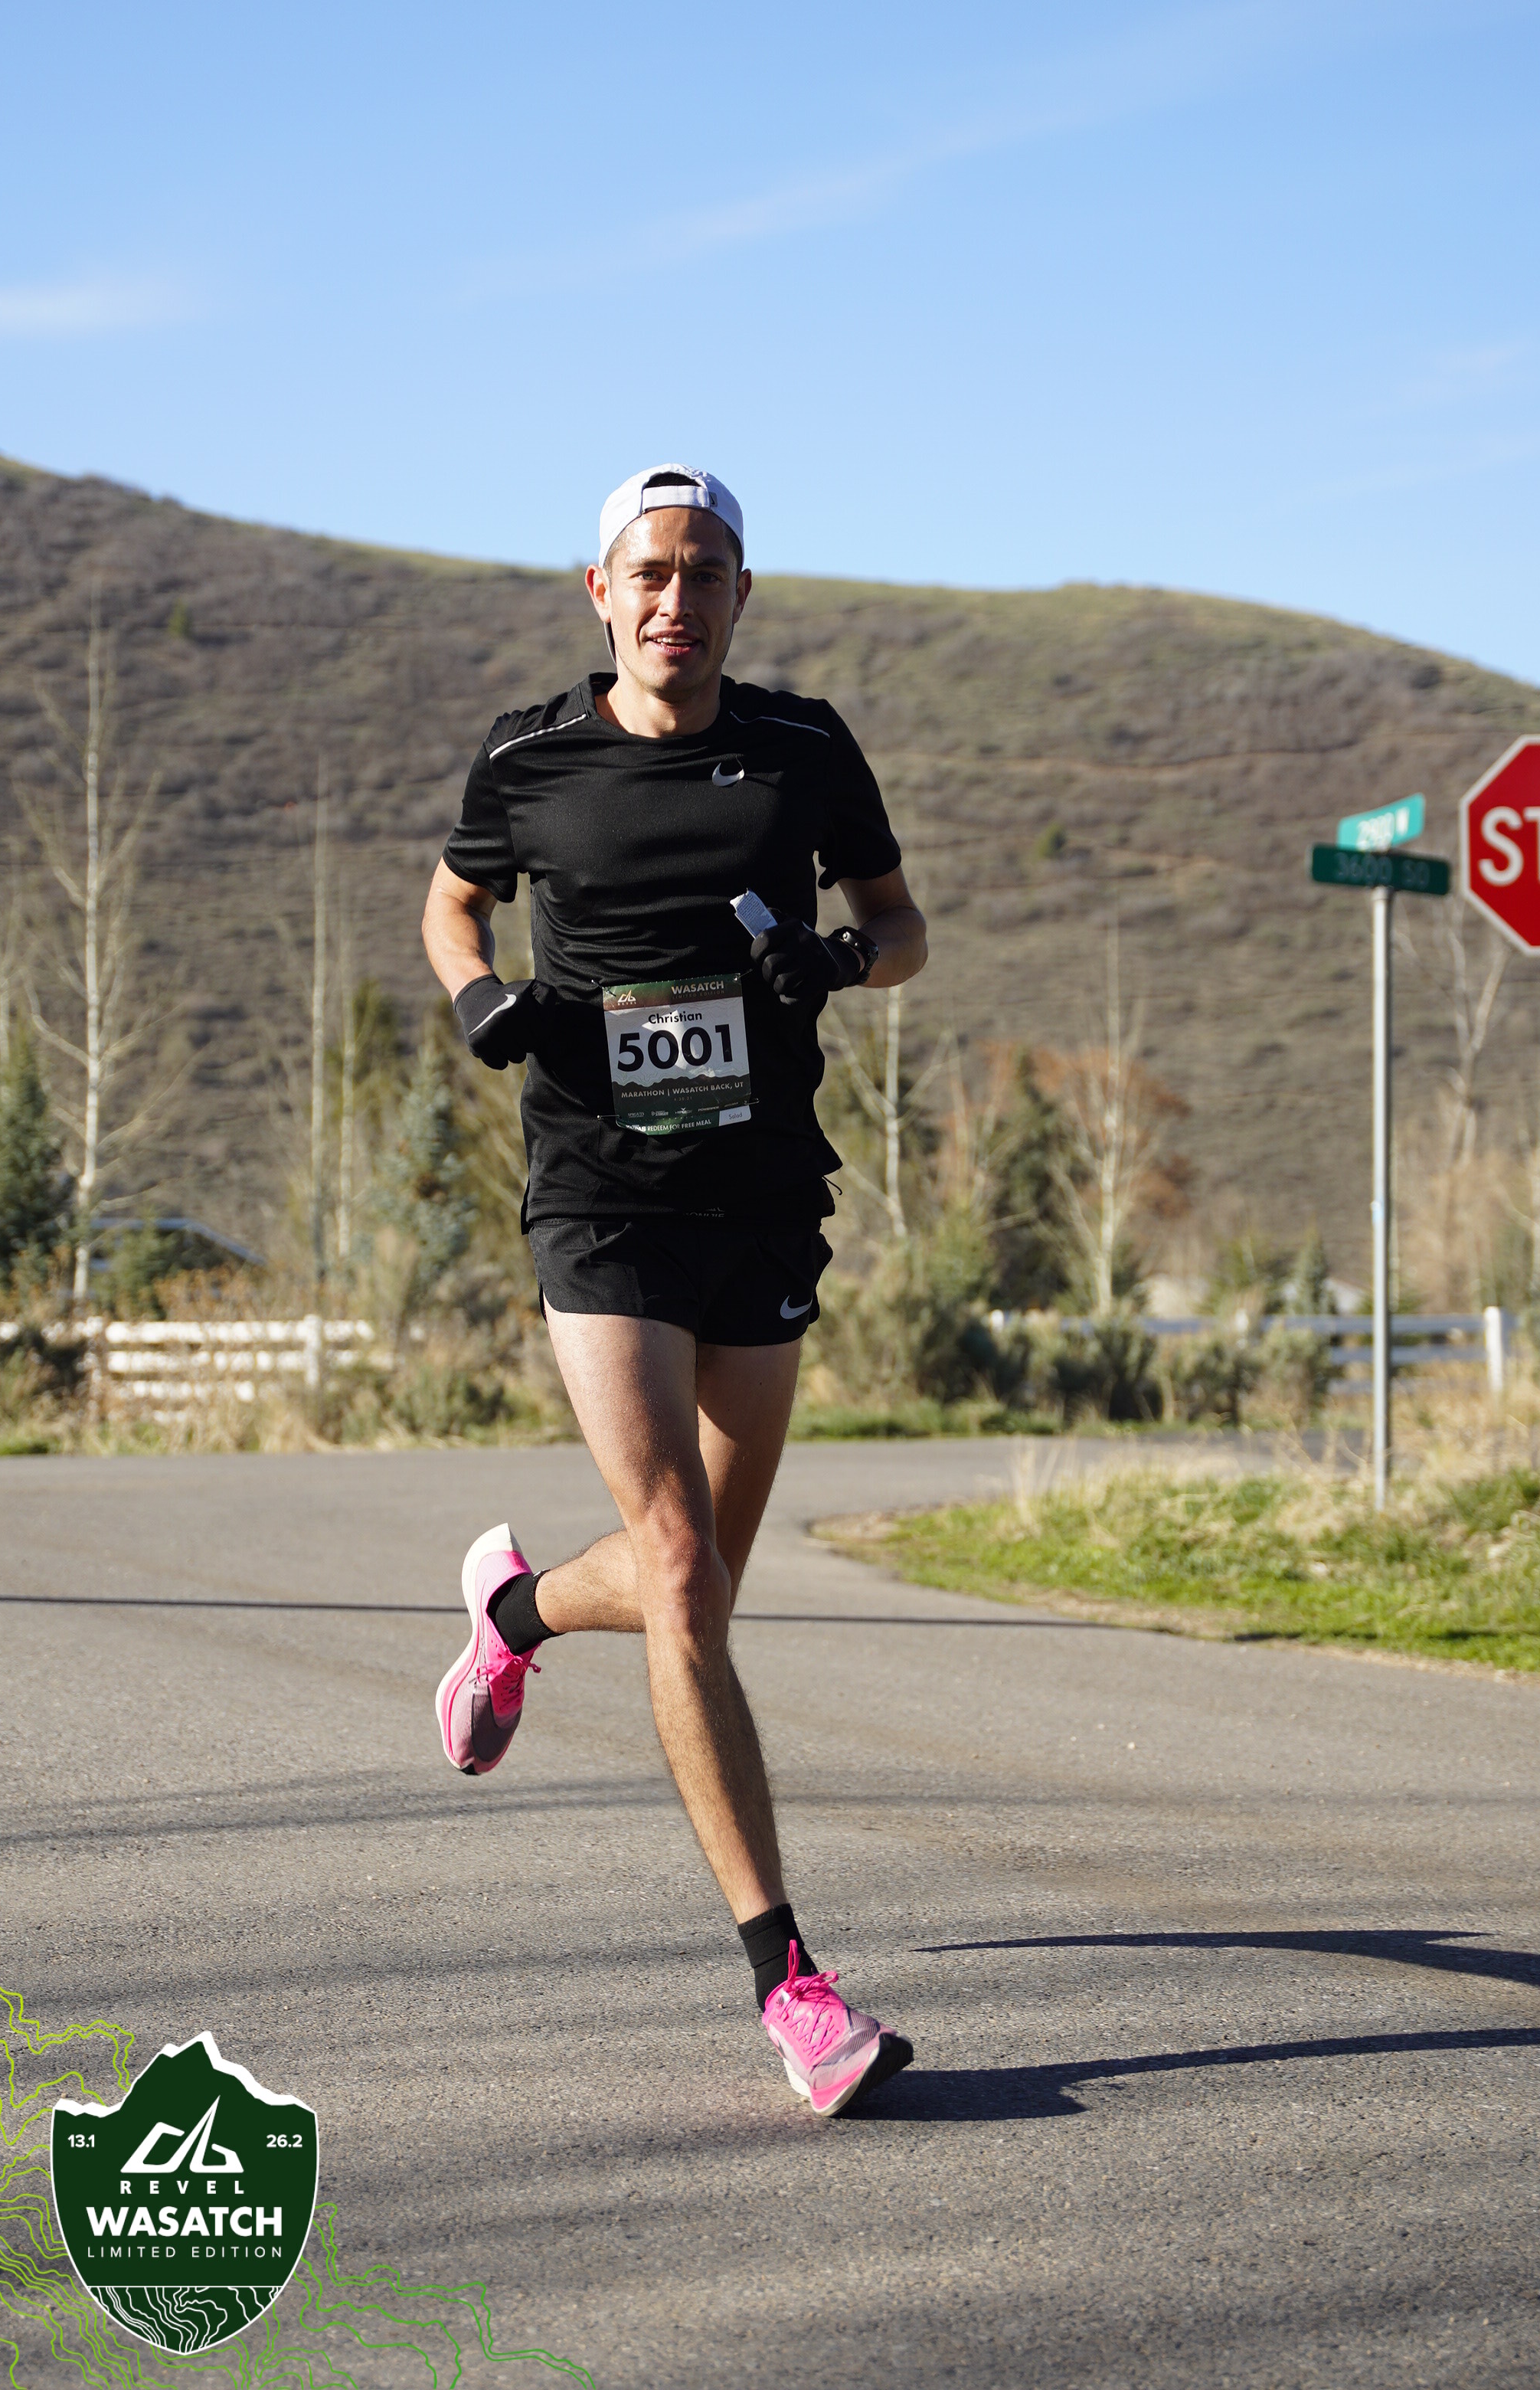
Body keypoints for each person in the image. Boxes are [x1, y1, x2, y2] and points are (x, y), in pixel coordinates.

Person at [421, 463, 927, 2117]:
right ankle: (792, 1986)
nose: (676, 599)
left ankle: (510, 1617)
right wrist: (478, 996)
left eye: (706, 572)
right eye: (649, 572)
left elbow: (901, 925)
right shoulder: (527, 758)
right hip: (601, 1195)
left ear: (740, 594)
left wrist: (836, 960)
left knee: (691, 1581)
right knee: (680, 1568)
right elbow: (452, 902)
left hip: (761, 1195)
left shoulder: (803, 749)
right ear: (601, 590)